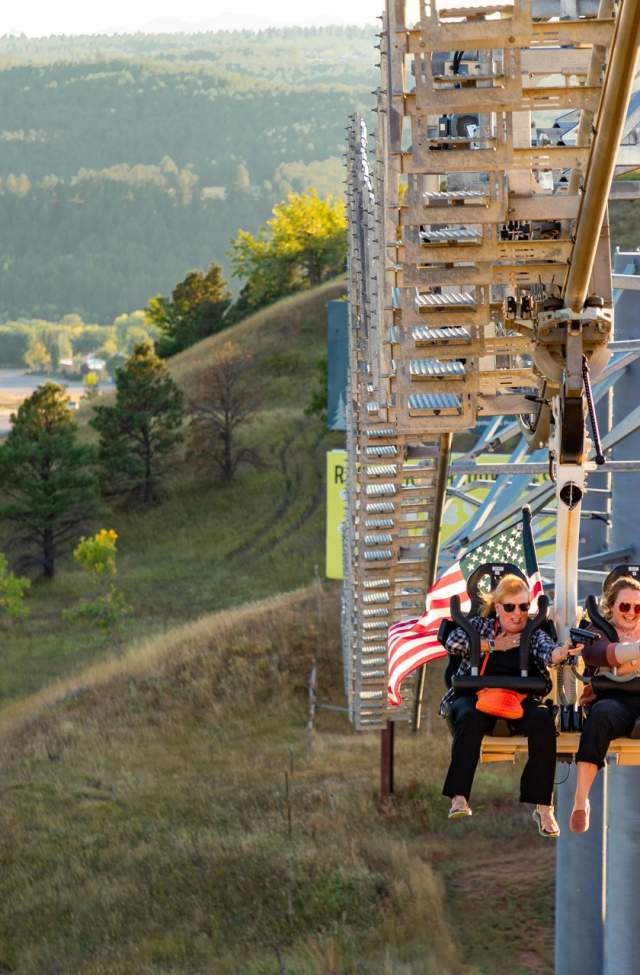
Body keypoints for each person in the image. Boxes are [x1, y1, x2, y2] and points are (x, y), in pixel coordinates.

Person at [442, 574, 574, 836]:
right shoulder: (480, 626)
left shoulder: (533, 632)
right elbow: (453, 642)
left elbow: (548, 651)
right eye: (510, 607)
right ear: (498, 606)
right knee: (467, 717)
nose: (518, 614)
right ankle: (459, 796)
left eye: (524, 607)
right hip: (479, 695)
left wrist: (561, 652)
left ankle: (543, 805)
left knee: (542, 720)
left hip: (520, 698)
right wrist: (494, 645)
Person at [570, 576, 640, 833]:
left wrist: (625, 660)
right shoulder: (597, 629)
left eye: (637, 608)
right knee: (600, 717)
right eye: (625, 607)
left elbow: (618, 659)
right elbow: (599, 654)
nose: (631, 613)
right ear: (611, 606)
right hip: (612, 698)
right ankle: (580, 800)